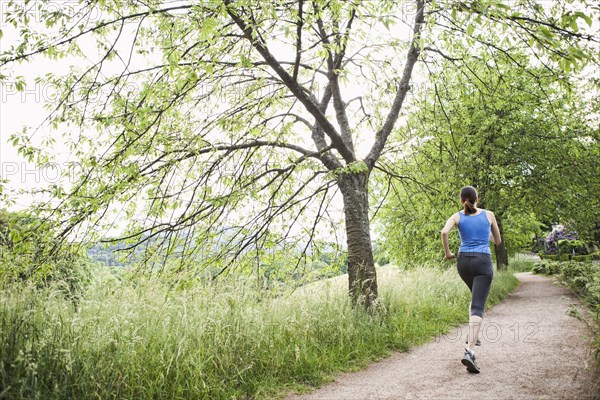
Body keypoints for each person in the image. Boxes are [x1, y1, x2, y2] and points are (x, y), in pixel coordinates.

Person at [441, 185, 502, 373]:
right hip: (482, 262)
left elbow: (444, 232)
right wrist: (486, 234)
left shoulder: (457, 216)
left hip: (463, 262)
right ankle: (470, 351)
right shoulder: (489, 215)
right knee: (477, 306)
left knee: (474, 299)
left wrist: (448, 253)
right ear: (477, 198)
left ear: (462, 201)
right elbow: (497, 241)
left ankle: (472, 335)